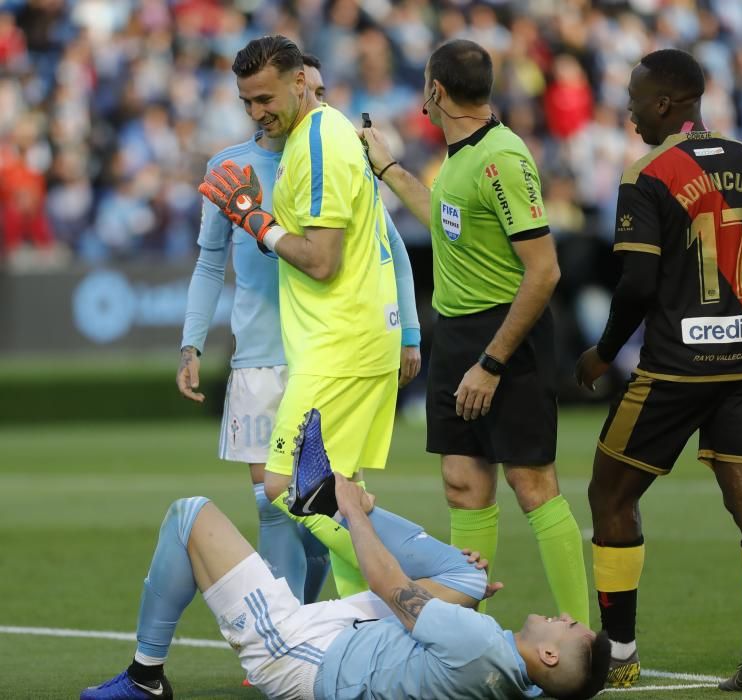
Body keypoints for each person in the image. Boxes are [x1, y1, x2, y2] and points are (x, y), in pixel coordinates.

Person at [575, 48, 742, 691]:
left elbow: (637, 282)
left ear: (664, 103)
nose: (628, 110)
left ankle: (621, 655)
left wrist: (603, 352)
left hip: (674, 368)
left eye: (634, 98)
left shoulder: (648, 174)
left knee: (610, 494)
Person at [79, 416, 610, 700]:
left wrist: (356, 512)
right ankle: (323, 500)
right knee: (466, 577)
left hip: (303, 652)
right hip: (357, 638)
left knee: (190, 515)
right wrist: (459, 591)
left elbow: (387, 585)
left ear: (549, 657)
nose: (566, 618)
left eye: (570, 630)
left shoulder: (478, 646)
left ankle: (144, 678)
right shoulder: (520, 681)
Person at [360, 38, 589, 624]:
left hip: (506, 335)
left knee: (531, 482)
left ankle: (581, 639)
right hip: (458, 332)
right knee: (462, 482)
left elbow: (544, 271)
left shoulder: (502, 160)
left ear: (435, 92)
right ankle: (468, 632)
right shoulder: (460, 158)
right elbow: (444, 218)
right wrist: (386, 167)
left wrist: (491, 364)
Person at [179, 52, 421, 604]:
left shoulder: (326, 151)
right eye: (249, 102)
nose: (258, 111)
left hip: (326, 349)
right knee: (277, 505)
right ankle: (293, 630)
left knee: (323, 501)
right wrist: (192, 341)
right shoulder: (228, 168)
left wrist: (409, 330)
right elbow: (209, 263)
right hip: (262, 354)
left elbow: (389, 248)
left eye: (267, 99)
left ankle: (318, 617)